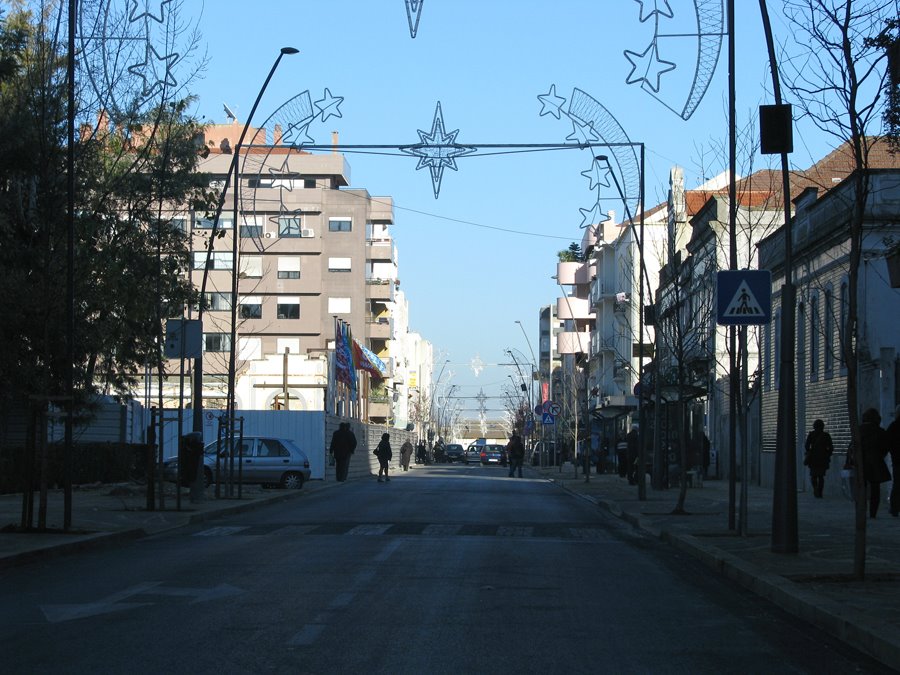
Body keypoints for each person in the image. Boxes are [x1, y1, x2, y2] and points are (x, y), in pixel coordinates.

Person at [859, 408, 890, 518]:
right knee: (875, 489)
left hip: (861, 462)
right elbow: (885, 448)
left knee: (861, 488)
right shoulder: (880, 431)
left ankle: (861, 511)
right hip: (876, 462)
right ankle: (873, 512)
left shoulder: (859, 430)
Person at [804, 419, 834, 498]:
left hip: (813, 458)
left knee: (813, 475)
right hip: (823, 459)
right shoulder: (826, 435)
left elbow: (807, 446)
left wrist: (809, 452)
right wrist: (827, 454)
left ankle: (815, 489)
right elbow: (831, 447)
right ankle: (820, 492)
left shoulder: (811, 434)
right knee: (821, 476)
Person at [885, 405, 900, 517]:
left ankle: (894, 508)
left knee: (897, 484)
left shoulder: (894, 426)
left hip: (897, 460)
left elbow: (887, 442)